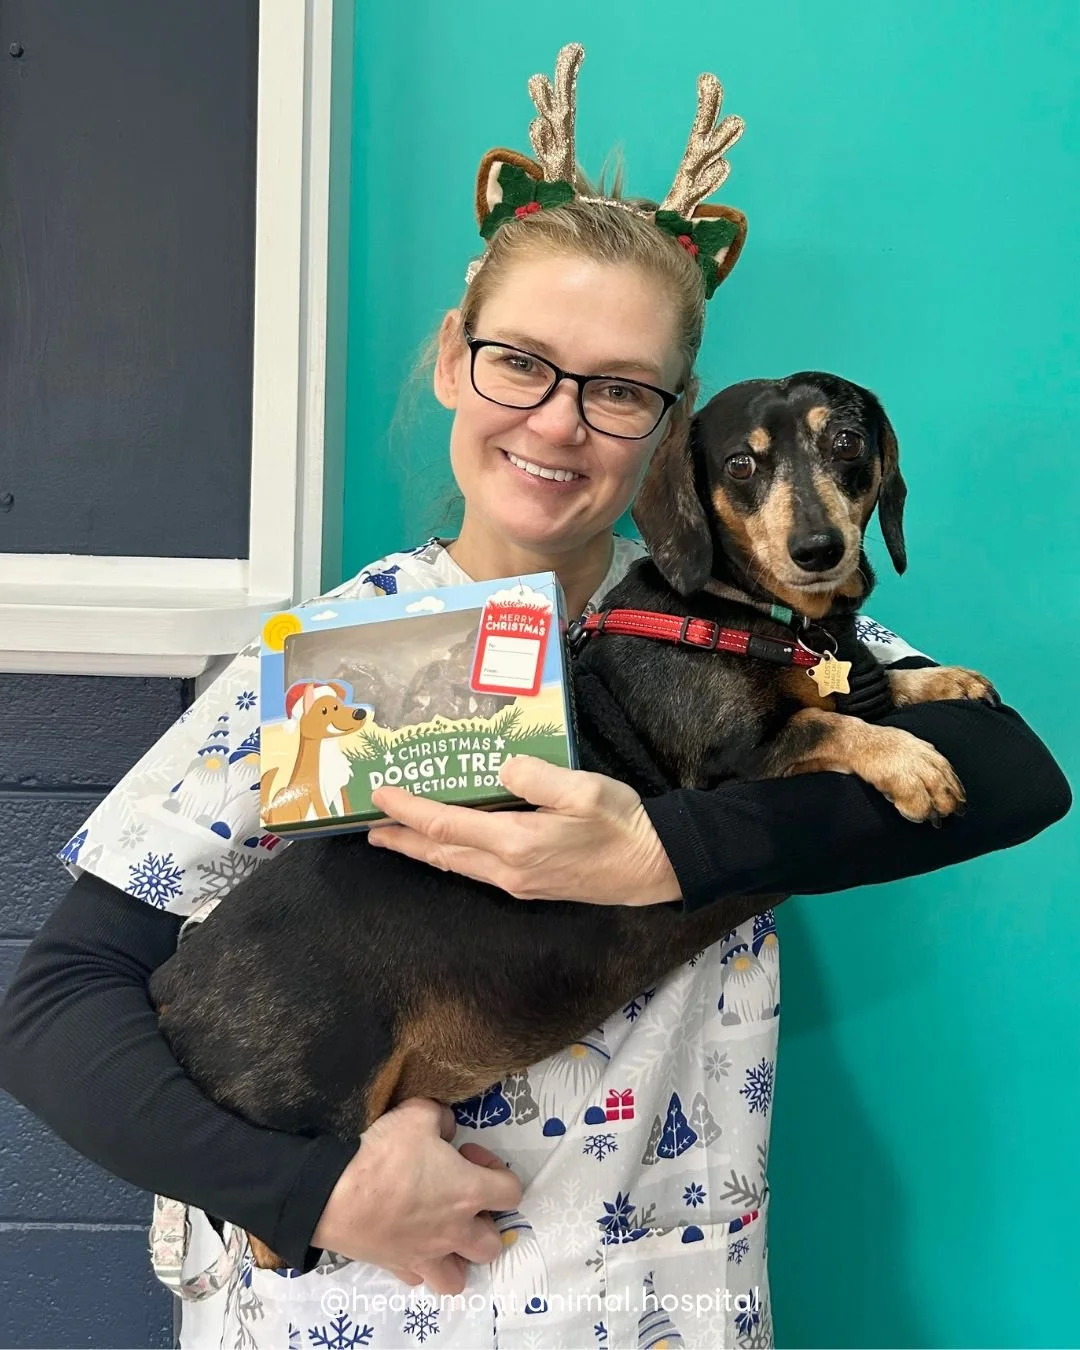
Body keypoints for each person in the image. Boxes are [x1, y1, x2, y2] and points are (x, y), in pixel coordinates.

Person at [0, 43, 1070, 1350]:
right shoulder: (325, 662)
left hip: (662, 1313)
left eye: (619, 389)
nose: (561, 423)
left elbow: (1015, 772)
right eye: (523, 361)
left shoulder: (764, 633)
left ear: (673, 429)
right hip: (361, 1308)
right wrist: (313, 1188)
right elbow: (57, 1005)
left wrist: (658, 853)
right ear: (457, 359)